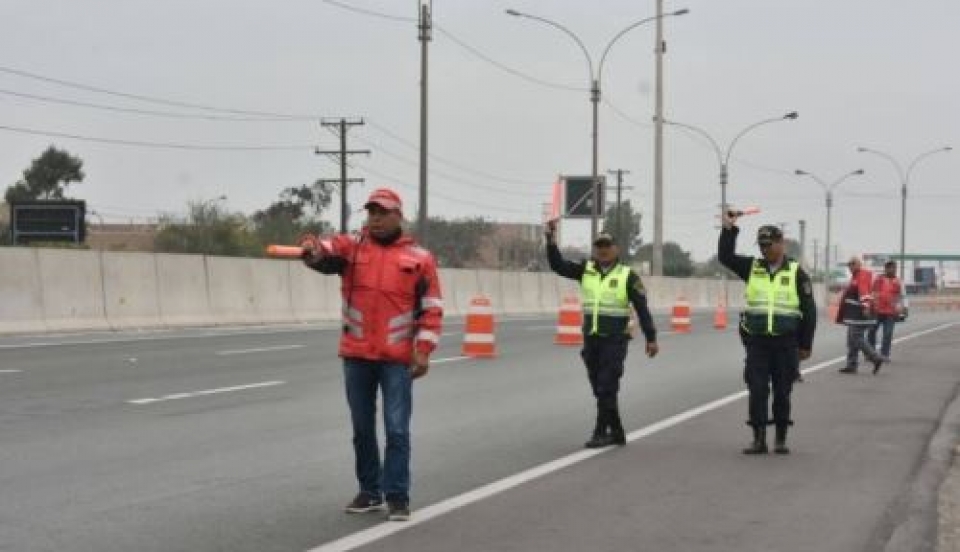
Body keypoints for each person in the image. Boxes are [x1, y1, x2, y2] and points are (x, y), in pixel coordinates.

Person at [302, 188, 443, 522]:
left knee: (396, 430)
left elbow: (432, 309)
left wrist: (423, 351)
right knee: (362, 428)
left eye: (382, 213)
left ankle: (397, 496)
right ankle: (370, 492)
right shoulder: (352, 248)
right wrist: (311, 246)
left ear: (398, 215)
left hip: (396, 360)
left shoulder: (420, 259)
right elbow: (326, 251)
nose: (376, 219)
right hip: (357, 355)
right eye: (372, 213)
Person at [545, 222, 659, 448]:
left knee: (607, 385)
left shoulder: (628, 276)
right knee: (599, 387)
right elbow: (558, 265)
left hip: (615, 340)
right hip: (592, 339)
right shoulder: (586, 270)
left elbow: (642, 309)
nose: (603, 250)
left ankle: (601, 432)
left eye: (607, 245)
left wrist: (651, 337)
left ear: (616, 249)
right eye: (599, 246)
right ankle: (616, 430)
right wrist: (551, 241)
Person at [719, 215, 816, 455]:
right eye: (761, 245)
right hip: (758, 342)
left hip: (786, 343)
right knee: (758, 389)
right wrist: (729, 229)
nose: (765, 249)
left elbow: (809, 311)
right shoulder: (752, 268)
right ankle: (759, 438)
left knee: (783, 391)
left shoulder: (796, 273)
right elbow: (726, 257)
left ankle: (781, 437)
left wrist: (805, 344)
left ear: (781, 243)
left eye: (769, 244)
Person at [837, 256, 885, 375]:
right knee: (851, 339)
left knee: (856, 338)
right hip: (855, 315)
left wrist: (865, 306)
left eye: (852, 264)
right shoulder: (856, 276)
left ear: (859, 264)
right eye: (849, 265)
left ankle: (875, 358)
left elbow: (864, 292)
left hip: (861, 314)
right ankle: (851, 364)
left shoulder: (862, 275)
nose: (850, 267)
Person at [868, 260, 902, 363]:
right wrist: (872, 306)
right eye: (892, 268)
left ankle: (884, 354)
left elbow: (898, 296)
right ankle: (871, 353)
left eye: (895, 268)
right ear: (886, 269)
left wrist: (899, 308)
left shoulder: (897, 282)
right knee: (871, 332)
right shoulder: (879, 279)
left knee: (888, 333)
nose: (894, 270)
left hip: (890, 313)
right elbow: (873, 293)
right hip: (877, 311)